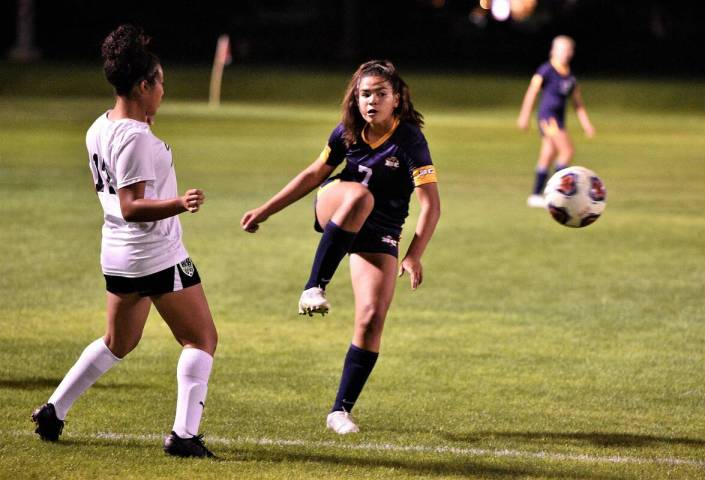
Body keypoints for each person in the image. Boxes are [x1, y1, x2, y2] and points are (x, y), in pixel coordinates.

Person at [30, 25, 217, 458]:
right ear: (143, 85)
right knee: (201, 339)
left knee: (119, 342)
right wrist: (179, 202)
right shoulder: (134, 136)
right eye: (161, 84)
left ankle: (54, 409)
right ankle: (184, 436)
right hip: (154, 253)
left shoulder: (100, 126)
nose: (163, 92)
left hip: (117, 254)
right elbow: (133, 205)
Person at [241, 60, 441, 434]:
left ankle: (339, 411)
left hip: (380, 230)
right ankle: (313, 286)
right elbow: (312, 175)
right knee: (360, 196)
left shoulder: (410, 139)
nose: (372, 101)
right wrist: (266, 210)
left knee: (371, 318)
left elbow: (432, 204)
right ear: (356, 97)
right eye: (365, 94)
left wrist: (414, 253)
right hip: (337, 204)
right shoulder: (347, 133)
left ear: (397, 99)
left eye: (381, 94)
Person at [517, 35, 596, 208]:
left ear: (571, 53)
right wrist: (524, 115)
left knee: (548, 155)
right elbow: (532, 91)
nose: (563, 53)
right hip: (548, 118)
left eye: (567, 50)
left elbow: (578, 104)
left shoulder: (570, 78)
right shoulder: (546, 70)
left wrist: (587, 125)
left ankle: (536, 195)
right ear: (553, 51)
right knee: (567, 151)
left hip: (559, 120)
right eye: (560, 49)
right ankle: (557, 193)